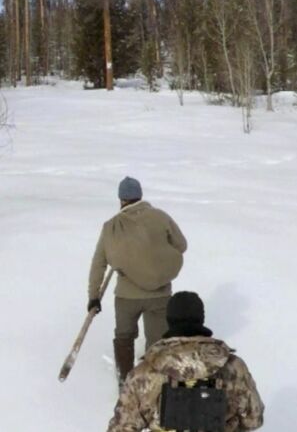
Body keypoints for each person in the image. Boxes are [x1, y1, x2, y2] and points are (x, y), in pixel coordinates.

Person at [107, 291, 265, 432]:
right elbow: (253, 419)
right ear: (201, 319)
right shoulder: (233, 367)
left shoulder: (144, 373)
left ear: (169, 320)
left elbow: (121, 428)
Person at [87, 177, 187, 386]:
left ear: (121, 199)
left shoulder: (111, 227)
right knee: (157, 342)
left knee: (124, 338)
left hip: (126, 296)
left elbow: (99, 264)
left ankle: (125, 383)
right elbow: (181, 245)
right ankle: (154, 385)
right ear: (140, 196)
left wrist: (94, 297)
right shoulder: (160, 217)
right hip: (159, 294)